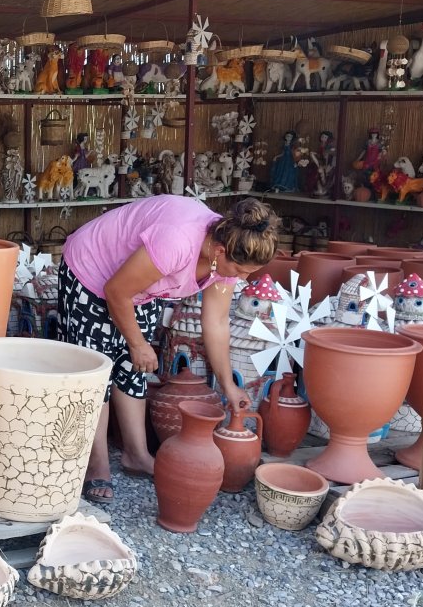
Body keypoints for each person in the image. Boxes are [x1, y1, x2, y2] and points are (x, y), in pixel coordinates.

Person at [58, 195, 278, 503]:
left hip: (140, 286)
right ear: (219, 251)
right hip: (93, 270)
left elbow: (215, 323)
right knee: (97, 375)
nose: (241, 279)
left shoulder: (226, 253)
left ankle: (136, 455)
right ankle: (97, 465)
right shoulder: (176, 242)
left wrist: (228, 385)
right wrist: (137, 343)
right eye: (240, 270)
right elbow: (116, 291)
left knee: (134, 368)